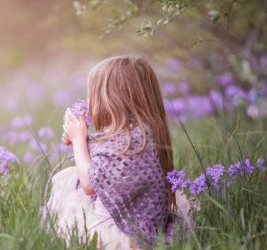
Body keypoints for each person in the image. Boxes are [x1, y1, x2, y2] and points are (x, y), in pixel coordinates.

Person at [42, 55, 193, 249]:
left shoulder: (133, 142)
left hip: (121, 235)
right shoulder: (137, 134)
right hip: (123, 221)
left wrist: (80, 142)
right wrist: (82, 141)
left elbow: (90, 184)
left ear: (112, 100)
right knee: (70, 179)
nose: (88, 102)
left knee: (70, 210)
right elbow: (102, 164)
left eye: (93, 95)